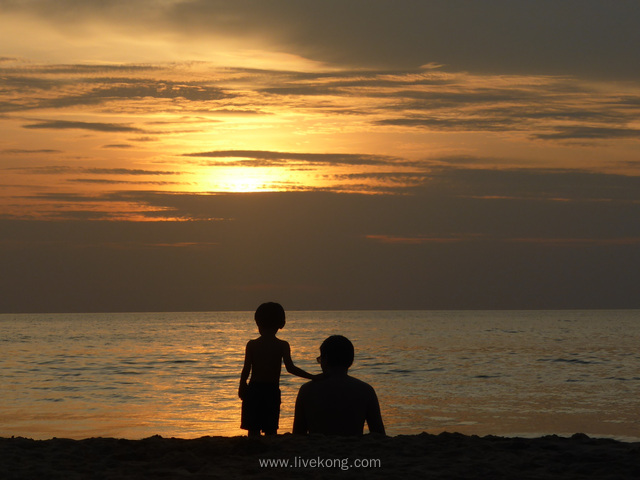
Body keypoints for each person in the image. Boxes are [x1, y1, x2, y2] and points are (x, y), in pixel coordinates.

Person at [239, 302, 318, 436]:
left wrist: (242, 386)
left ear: (258, 323)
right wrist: (313, 377)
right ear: (281, 324)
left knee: (253, 429)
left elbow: (246, 369)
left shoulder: (252, 344)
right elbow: (291, 368)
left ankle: (254, 453)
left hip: (254, 389)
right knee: (271, 429)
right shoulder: (282, 345)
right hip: (271, 390)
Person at [293, 335, 385, 436]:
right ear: (351, 361)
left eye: (320, 359)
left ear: (325, 359)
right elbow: (378, 432)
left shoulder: (307, 390)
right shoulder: (366, 390)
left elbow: (298, 433)